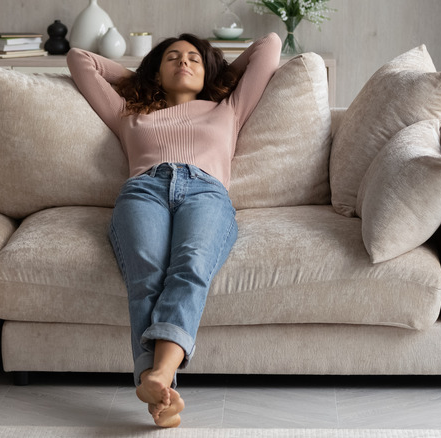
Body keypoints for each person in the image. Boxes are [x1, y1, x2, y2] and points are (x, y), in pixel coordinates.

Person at [67, 31, 281, 428]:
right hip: (144, 189)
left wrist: (217, 73)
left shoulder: (228, 108)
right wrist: (142, 76)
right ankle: (160, 387)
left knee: (192, 264)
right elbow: (80, 58)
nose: (183, 62)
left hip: (206, 192)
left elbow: (268, 45)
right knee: (146, 276)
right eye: (172, 58)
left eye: (193, 59)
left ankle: (156, 377)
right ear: (155, 71)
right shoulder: (129, 112)